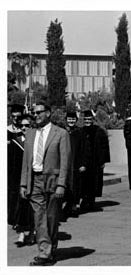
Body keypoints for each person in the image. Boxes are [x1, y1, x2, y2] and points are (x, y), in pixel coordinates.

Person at [20, 102, 71, 265]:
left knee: (51, 217)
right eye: (34, 113)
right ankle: (44, 252)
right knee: (39, 217)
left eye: (39, 112)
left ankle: (51, 248)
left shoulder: (61, 133)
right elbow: (26, 161)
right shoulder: (30, 133)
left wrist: (62, 184)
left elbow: (65, 161)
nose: (36, 115)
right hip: (34, 179)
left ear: (48, 113)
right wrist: (23, 183)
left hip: (53, 180)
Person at [9, 111, 35, 247]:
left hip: (34, 180)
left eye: (28, 125)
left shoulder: (37, 142)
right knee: (20, 207)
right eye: (22, 126)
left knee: (31, 208)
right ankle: (21, 233)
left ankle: (31, 233)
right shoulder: (16, 142)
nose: (24, 128)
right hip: (19, 180)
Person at [79, 110, 110, 212]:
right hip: (84, 162)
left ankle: (91, 202)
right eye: (86, 119)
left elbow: (104, 147)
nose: (87, 121)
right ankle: (84, 200)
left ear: (92, 119)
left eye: (89, 119)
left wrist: (103, 161)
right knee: (84, 183)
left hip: (95, 162)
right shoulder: (81, 131)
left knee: (94, 183)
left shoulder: (99, 131)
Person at [62, 111, 88, 218]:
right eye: (69, 119)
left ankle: (74, 206)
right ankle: (65, 206)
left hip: (76, 163)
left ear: (76, 120)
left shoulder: (80, 132)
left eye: (73, 119)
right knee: (65, 185)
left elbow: (84, 149)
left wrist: (83, 164)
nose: (71, 121)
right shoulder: (63, 132)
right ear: (66, 120)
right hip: (64, 163)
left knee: (76, 186)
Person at [8, 104, 24, 227]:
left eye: (18, 117)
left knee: (19, 194)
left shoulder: (24, 131)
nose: (15, 119)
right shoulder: (6, 130)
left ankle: (18, 219)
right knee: (10, 193)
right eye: (13, 116)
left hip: (20, 167)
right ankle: (11, 217)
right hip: (8, 167)